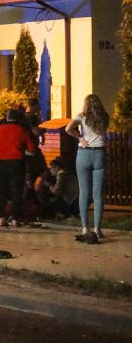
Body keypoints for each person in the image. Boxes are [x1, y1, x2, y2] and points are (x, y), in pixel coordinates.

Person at [65, 94, 109, 239]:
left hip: (84, 154)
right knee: (98, 195)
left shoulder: (81, 116)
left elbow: (68, 129)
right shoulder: (104, 117)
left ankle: (85, 228)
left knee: (84, 192)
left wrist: (80, 137)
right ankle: (97, 229)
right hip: (99, 154)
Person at [0, 108, 35, 227]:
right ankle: (15, 219)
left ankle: (1, 218)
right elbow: (31, 148)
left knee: (1, 191)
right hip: (16, 163)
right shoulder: (22, 130)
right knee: (16, 191)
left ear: (7, 117)